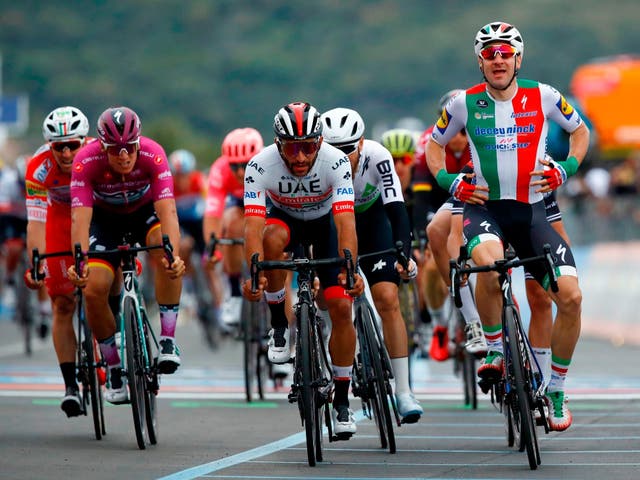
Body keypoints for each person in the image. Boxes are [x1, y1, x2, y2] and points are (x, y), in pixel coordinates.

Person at [426, 21, 590, 432]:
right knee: (489, 262)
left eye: (504, 52)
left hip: (534, 211)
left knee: (569, 297)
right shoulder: (464, 103)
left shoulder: (545, 95)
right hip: (487, 209)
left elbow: (580, 131)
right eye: (489, 53)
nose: (497, 59)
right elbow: (434, 144)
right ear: (479, 60)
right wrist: (449, 180)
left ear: (518, 57)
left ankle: (555, 388)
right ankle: (496, 348)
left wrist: (566, 168)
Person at [242, 101, 364, 438]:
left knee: (340, 307)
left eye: (308, 147)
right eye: (292, 148)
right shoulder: (259, 165)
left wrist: (349, 268)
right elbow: (252, 225)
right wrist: (255, 275)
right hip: (287, 223)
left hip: (326, 226)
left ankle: (342, 401)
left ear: (320, 143)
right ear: (278, 144)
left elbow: (345, 221)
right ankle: (279, 324)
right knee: (269, 237)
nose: (300, 158)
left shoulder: (336, 161)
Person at [67, 106, 186, 405]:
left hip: (144, 214)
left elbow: (168, 210)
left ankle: (169, 340)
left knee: (165, 249)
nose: (124, 155)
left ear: (138, 142)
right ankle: (114, 367)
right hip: (104, 221)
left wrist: (175, 254)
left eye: (130, 148)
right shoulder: (86, 160)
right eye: (115, 150)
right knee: (93, 289)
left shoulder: (153, 154)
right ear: (101, 146)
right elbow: (80, 219)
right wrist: (78, 263)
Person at [321, 107, 423, 423]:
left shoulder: (378, 156)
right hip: (333, 226)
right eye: (333, 150)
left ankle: (403, 391)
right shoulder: (315, 165)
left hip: (372, 222)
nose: (341, 156)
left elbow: (396, 210)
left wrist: (404, 254)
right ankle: (335, 366)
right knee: (332, 303)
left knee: (388, 299)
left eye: (348, 149)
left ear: (362, 143)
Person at [23, 106, 93, 417]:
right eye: (58, 147)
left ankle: (113, 341)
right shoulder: (38, 168)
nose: (66, 153)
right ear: (50, 147)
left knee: (99, 286)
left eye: (72, 145)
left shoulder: (95, 155)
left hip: (93, 214)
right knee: (62, 304)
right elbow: (36, 221)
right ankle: (70, 388)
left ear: (83, 141)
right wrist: (35, 263)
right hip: (59, 220)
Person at [416, 91, 487, 358]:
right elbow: (421, 195)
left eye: (463, 129)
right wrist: (420, 240)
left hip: (479, 190)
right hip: (440, 195)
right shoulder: (427, 144)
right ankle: (442, 324)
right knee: (434, 260)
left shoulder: (481, 134)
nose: (457, 136)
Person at [203, 128, 264, 328]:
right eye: (234, 165)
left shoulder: (269, 164)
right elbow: (213, 214)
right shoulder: (219, 170)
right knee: (231, 223)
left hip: (268, 204)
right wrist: (213, 250)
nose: (240, 171)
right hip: (240, 206)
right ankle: (235, 294)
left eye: (246, 165)